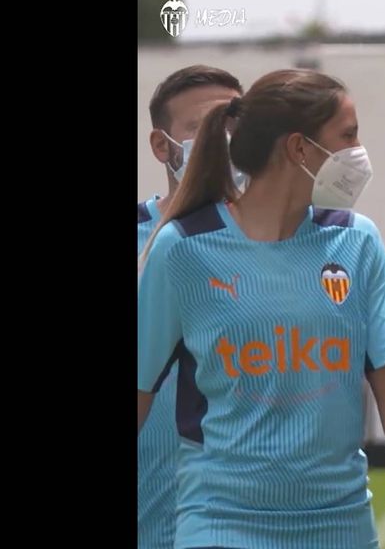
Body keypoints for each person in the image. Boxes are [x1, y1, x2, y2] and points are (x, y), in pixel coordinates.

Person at [138, 69, 385, 549]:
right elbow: (141, 386)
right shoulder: (183, 248)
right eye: (348, 136)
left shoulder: (357, 239)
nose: (358, 152)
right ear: (300, 149)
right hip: (221, 521)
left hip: (340, 523)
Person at [137, 64, 243, 549]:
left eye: (233, 124)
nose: (222, 140)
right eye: (202, 127)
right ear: (162, 146)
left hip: (240, 522)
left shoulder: (281, 240)